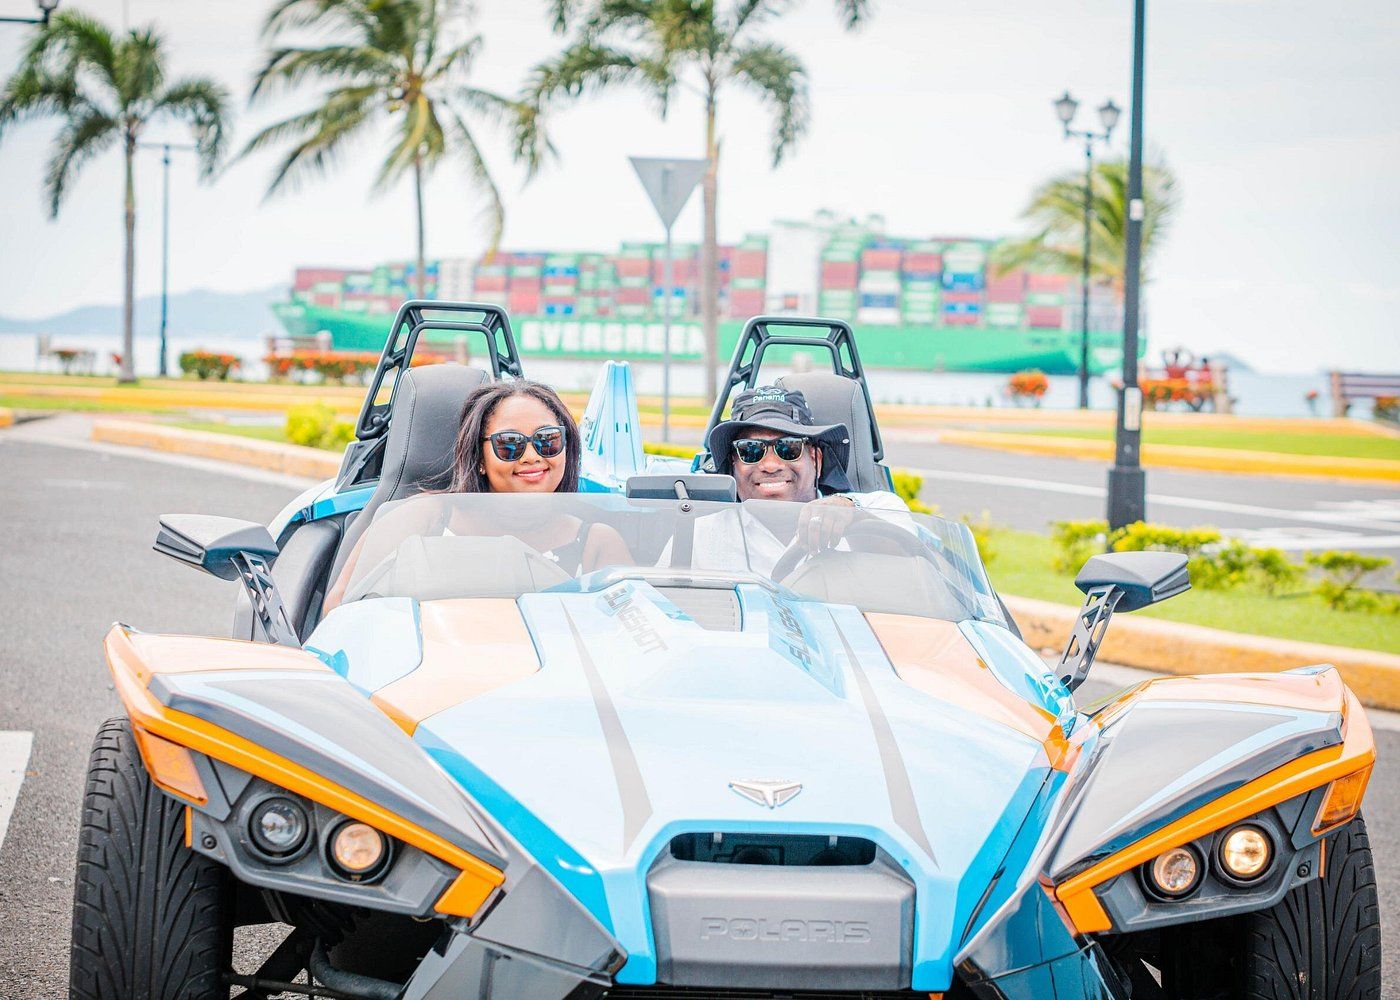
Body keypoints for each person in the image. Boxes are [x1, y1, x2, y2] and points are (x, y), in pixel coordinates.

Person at [323, 379, 630, 610]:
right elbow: (339, 610)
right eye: (509, 443)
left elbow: (632, 645)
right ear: (480, 458)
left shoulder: (597, 542)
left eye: (547, 440)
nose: (532, 456)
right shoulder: (422, 517)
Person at [676, 385, 908, 576]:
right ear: (733, 465)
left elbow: (910, 563)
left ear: (816, 459)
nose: (770, 465)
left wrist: (849, 513)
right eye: (750, 450)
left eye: (788, 448)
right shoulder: (701, 533)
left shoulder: (882, 507)